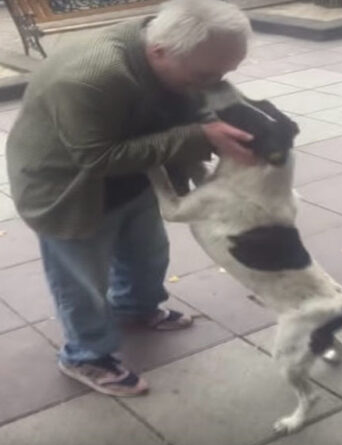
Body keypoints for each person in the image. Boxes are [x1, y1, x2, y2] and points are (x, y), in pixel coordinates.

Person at [5, 0, 256, 397]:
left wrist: (223, 126)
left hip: (133, 176)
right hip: (68, 190)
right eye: (205, 76)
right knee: (82, 281)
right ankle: (84, 354)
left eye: (224, 73)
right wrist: (198, 137)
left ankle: (135, 307)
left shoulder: (167, 50)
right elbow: (95, 158)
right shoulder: (87, 77)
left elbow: (194, 102)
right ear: (159, 53)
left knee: (147, 253)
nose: (215, 84)